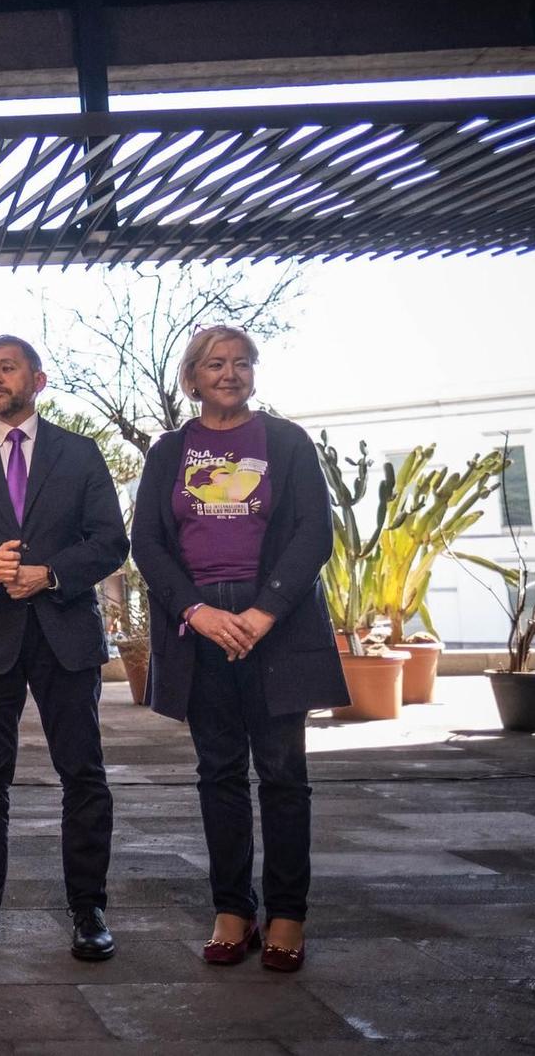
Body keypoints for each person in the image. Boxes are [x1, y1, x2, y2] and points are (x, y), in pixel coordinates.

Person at [131, 325, 349, 973]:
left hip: (276, 625)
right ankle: (233, 909)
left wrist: (263, 612)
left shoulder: (285, 442)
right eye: (215, 363)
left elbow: (314, 533)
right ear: (192, 377)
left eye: (241, 362)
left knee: (284, 774)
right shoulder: (169, 452)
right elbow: (148, 543)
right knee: (219, 773)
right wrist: (196, 611)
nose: (230, 373)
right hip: (200, 631)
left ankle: (287, 913)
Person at [0, 335, 128, 963]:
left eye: (6, 368)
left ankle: (88, 909)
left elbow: (109, 541)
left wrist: (52, 573)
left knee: (83, 774)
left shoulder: (80, 453)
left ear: (37, 380)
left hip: (64, 634)